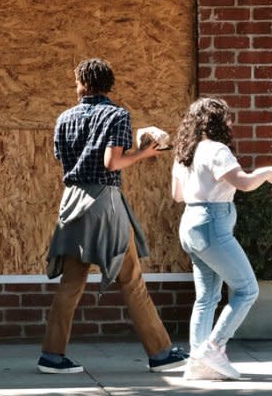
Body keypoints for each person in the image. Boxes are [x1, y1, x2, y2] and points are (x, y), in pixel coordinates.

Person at [38, 58, 188, 375]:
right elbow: (111, 163)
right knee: (131, 280)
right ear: (108, 84)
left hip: (73, 201)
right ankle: (161, 354)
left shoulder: (64, 118)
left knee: (72, 282)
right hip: (104, 202)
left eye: (77, 81)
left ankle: (52, 356)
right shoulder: (117, 115)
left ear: (83, 83)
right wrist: (146, 153)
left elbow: (61, 158)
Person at [171, 97, 272, 380]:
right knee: (248, 289)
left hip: (190, 223)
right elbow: (245, 183)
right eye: (227, 118)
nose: (231, 123)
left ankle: (197, 363)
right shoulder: (217, 150)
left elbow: (177, 195)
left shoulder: (184, 152)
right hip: (212, 224)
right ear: (216, 122)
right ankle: (213, 348)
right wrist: (269, 173)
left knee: (207, 298)